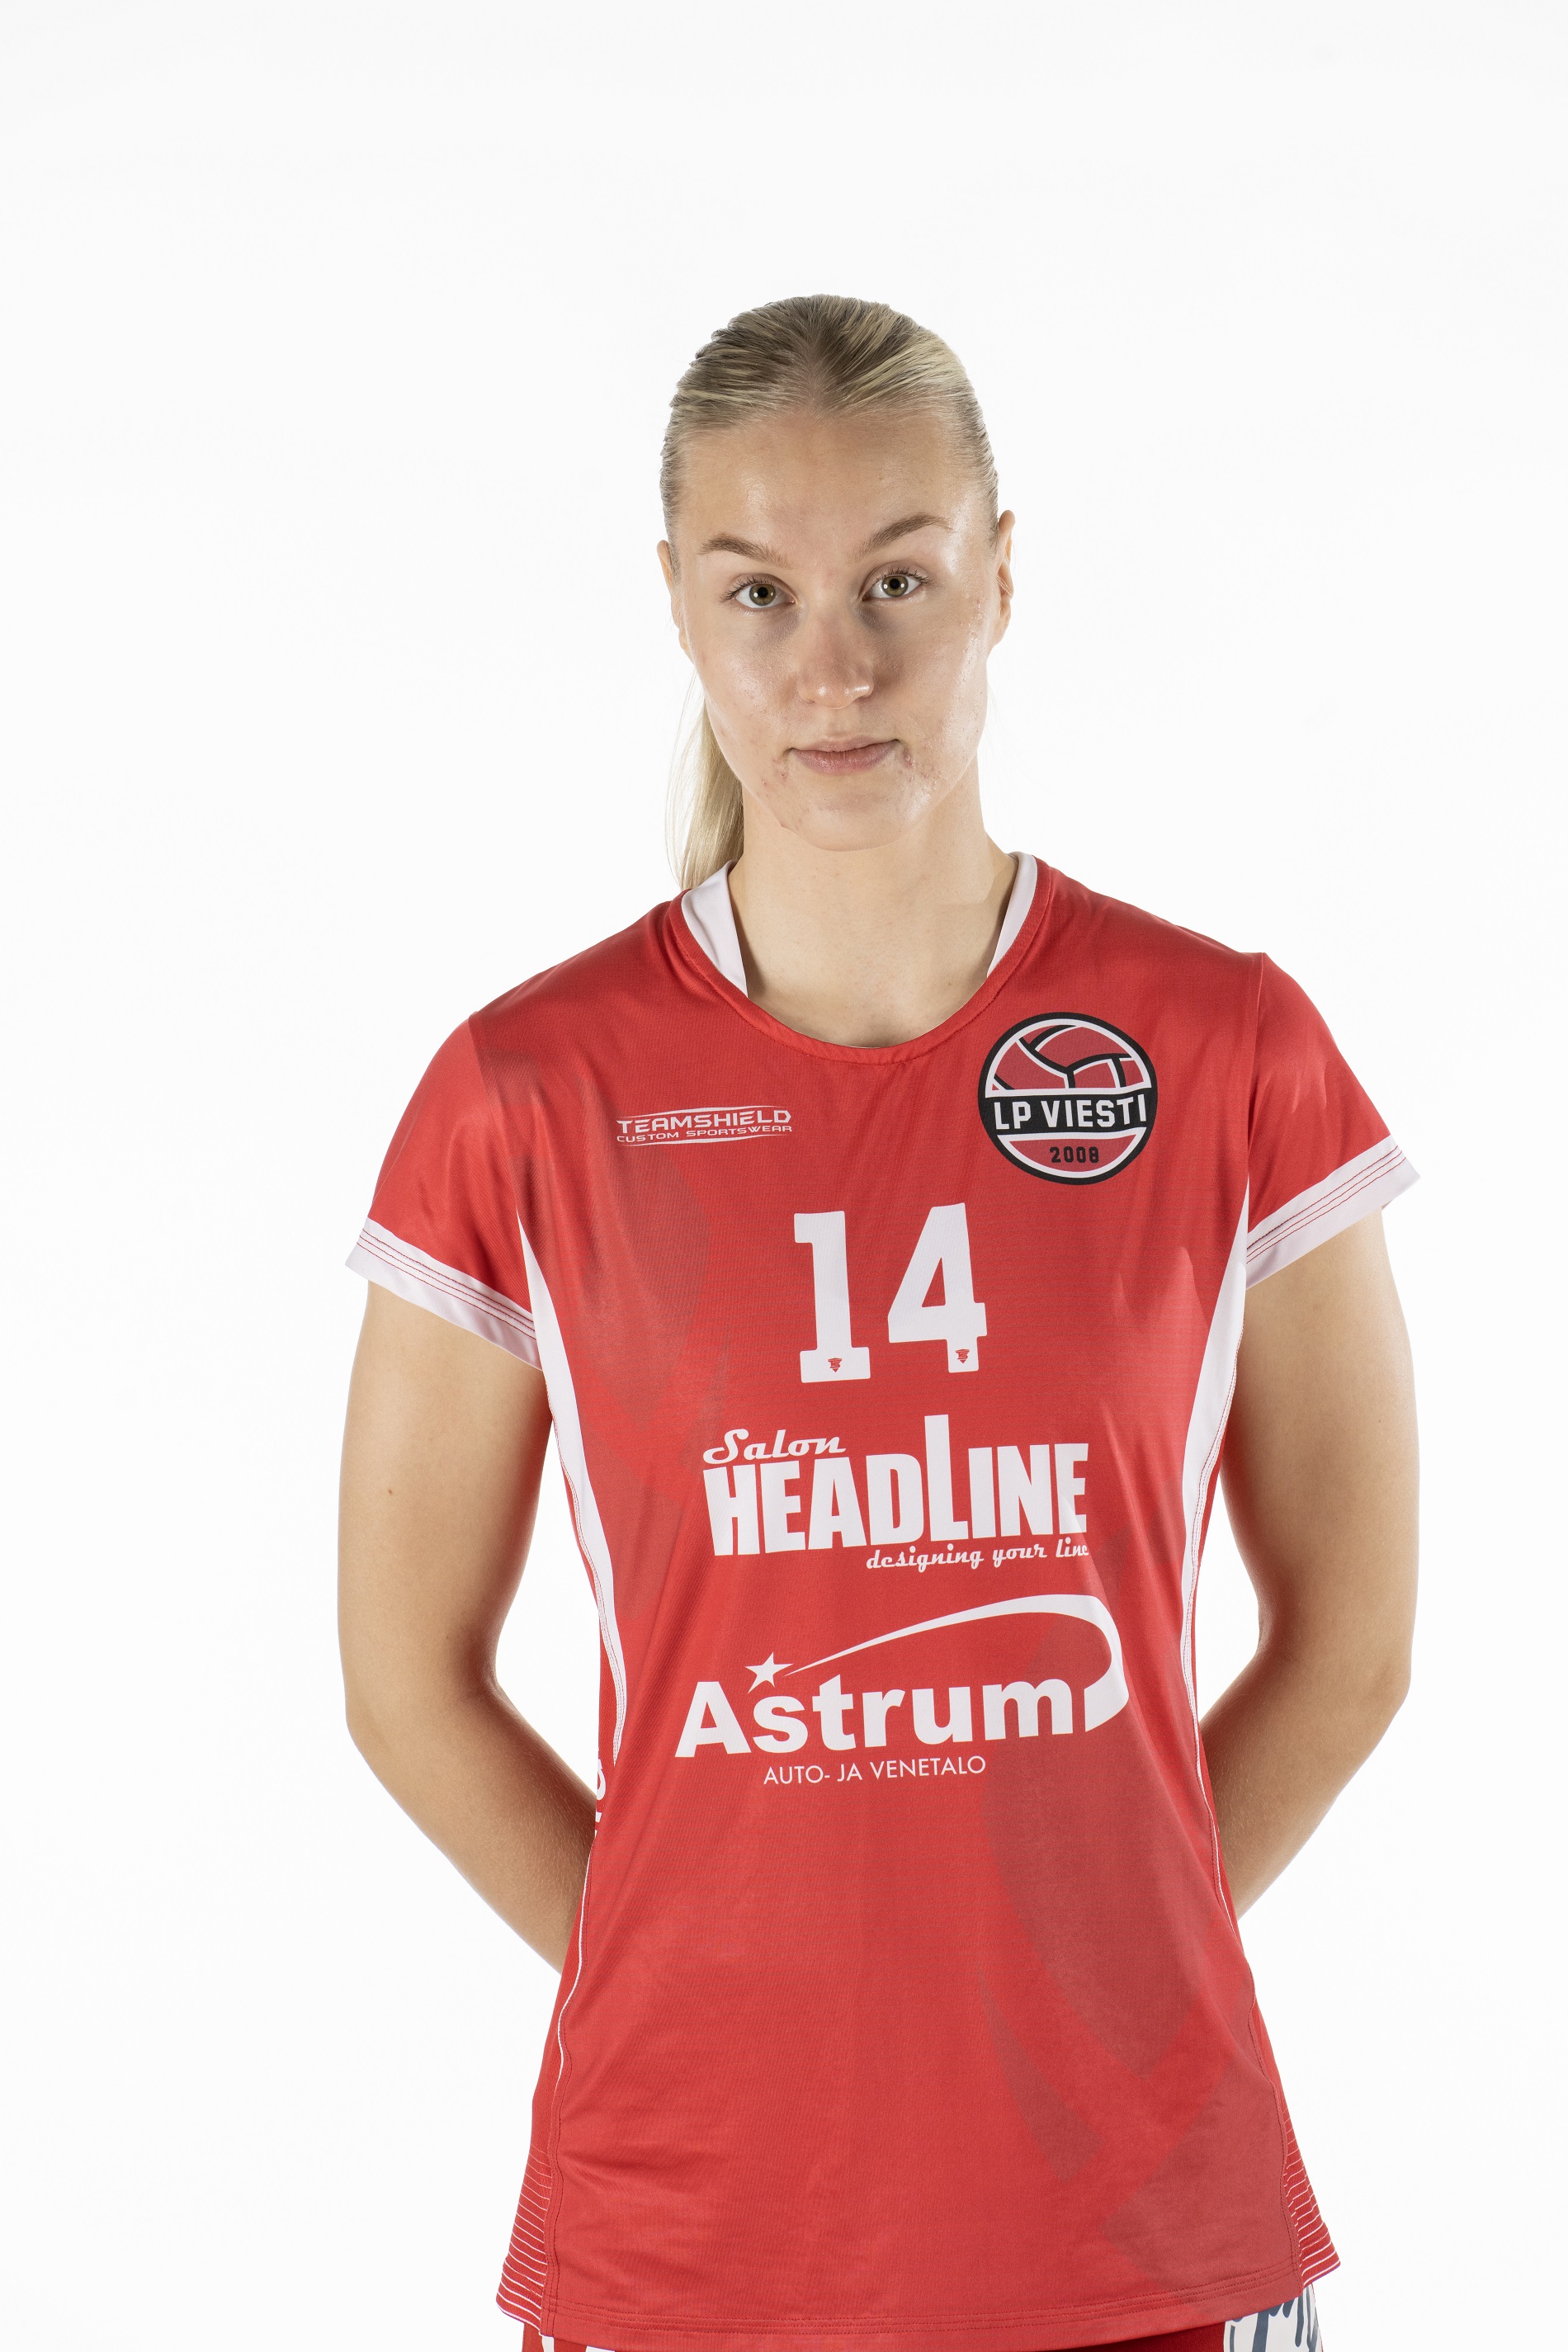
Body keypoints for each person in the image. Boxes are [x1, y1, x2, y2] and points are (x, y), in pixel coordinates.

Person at [338, 295, 1418, 2352]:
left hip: (1144, 2231)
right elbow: (406, 1686)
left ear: (1001, 574)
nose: (830, 668)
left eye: (896, 582)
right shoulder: (525, 1096)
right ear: (676, 601)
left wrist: (1091, 1979)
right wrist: (700, 1980)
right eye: (758, 591)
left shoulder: (1223, 1050)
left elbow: (1351, 1649)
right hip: (691, 2232)